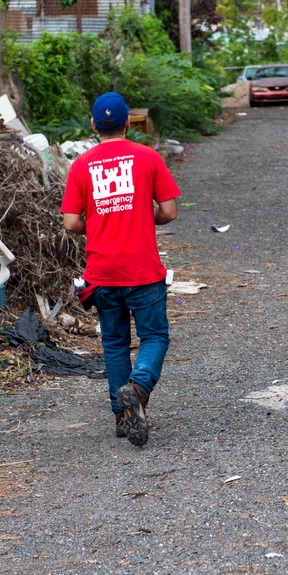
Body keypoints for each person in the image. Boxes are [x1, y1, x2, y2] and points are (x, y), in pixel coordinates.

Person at [61, 92, 180, 446]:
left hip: (102, 272)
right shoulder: (148, 157)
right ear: (128, 122)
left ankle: (121, 414)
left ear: (95, 124)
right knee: (155, 336)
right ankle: (138, 387)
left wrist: (98, 223)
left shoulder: (81, 165)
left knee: (114, 343)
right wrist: (143, 215)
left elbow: (70, 223)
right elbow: (170, 211)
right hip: (142, 269)